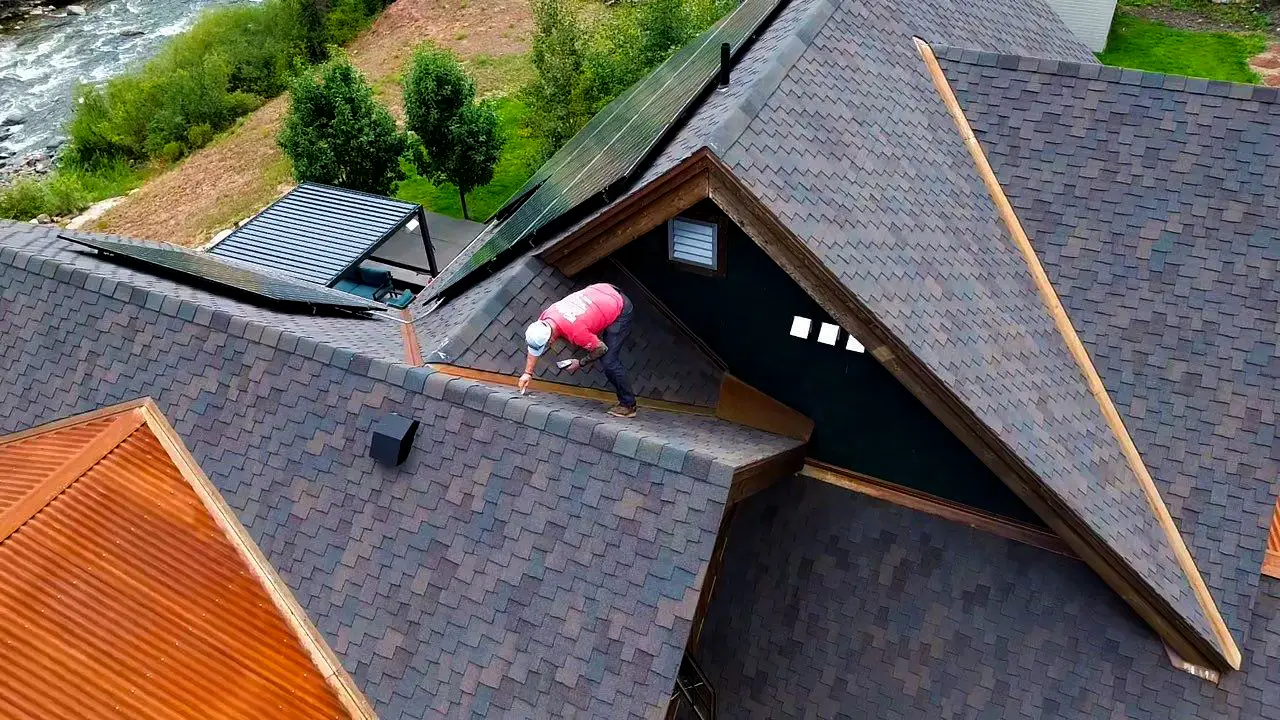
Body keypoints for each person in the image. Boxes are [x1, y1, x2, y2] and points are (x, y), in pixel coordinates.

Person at [518, 283, 636, 418]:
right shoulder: (546, 316)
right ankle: (596, 325)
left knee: (609, 361)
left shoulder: (576, 332)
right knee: (589, 332)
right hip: (601, 289)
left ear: (550, 339)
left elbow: (601, 349)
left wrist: (580, 363)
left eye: (546, 344)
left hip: (621, 306)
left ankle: (628, 405)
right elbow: (534, 346)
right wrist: (528, 373)